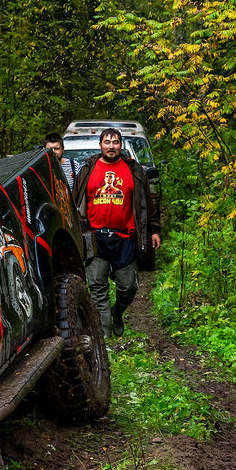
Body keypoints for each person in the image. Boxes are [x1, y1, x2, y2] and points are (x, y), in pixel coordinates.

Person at [72, 128, 160, 338]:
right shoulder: (88, 169)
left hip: (125, 236)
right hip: (95, 236)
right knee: (97, 286)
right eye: (107, 142)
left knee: (128, 286)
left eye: (115, 142)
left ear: (121, 145)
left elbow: (146, 203)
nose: (111, 146)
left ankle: (117, 312)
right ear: (100, 145)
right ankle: (105, 335)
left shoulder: (134, 170)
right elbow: (75, 200)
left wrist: (154, 230)